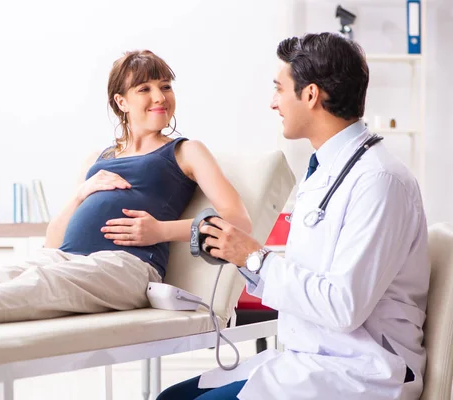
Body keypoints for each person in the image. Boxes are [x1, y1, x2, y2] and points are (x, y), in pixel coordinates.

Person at [0, 50, 252, 331]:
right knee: (7, 272)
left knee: (44, 285)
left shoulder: (185, 150)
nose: (160, 97)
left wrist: (161, 231)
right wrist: (81, 193)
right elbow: (53, 240)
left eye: (165, 86)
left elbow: (238, 220)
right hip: (63, 257)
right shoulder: (97, 157)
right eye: (145, 89)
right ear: (121, 102)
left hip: (128, 267)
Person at [158, 33, 429, 400]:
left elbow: (342, 306)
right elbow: (311, 275)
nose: (273, 103)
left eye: (279, 89)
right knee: (171, 397)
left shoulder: (379, 180)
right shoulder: (325, 170)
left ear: (311, 94)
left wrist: (255, 257)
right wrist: (240, 257)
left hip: (364, 369)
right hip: (313, 358)